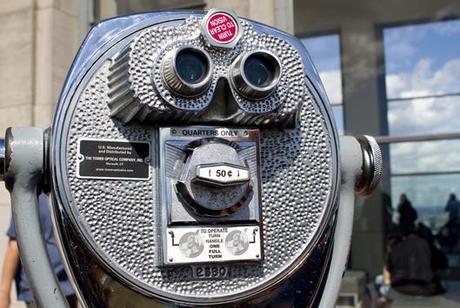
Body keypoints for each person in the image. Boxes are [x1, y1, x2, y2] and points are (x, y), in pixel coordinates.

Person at [0, 194, 77, 308]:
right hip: (60, 283)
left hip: (56, 284)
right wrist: (4, 292)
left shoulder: (29, 196)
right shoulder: (65, 194)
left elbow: (15, 244)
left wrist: (4, 291)